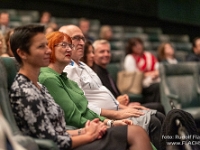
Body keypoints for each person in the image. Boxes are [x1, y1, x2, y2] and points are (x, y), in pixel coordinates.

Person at [9, 25, 153, 150]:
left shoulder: (38, 85)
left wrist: (92, 129)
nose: (48, 50)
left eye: (47, 45)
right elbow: (49, 142)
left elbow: (57, 129)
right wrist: (88, 135)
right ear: (22, 53)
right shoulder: (25, 91)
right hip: (65, 145)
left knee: (136, 130)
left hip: (74, 134)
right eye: (42, 46)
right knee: (135, 133)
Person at [59, 25, 164, 149]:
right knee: (154, 121)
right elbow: (83, 106)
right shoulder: (67, 69)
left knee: (158, 115)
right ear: (62, 43)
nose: (82, 42)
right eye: (76, 38)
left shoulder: (82, 65)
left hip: (114, 112)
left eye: (83, 38)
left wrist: (124, 108)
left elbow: (104, 95)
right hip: (102, 118)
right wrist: (117, 115)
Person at [92, 39, 165, 114]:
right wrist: (125, 106)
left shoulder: (105, 71)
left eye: (108, 51)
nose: (106, 54)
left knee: (158, 107)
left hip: (121, 107)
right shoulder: (95, 74)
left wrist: (128, 104)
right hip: (117, 112)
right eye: (102, 52)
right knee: (158, 108)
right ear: (93, 54)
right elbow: (104, 104)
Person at [124, 37, 160, 103]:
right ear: (131, 47)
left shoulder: (148, 55)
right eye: (135, 45)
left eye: (139, 44)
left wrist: (156, 73)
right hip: (138, 85)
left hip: (153, 80)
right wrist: (149, 74)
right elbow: (134, 75)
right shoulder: (130, 58)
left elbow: (158, 68)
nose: (138, 47)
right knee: (157, 87)